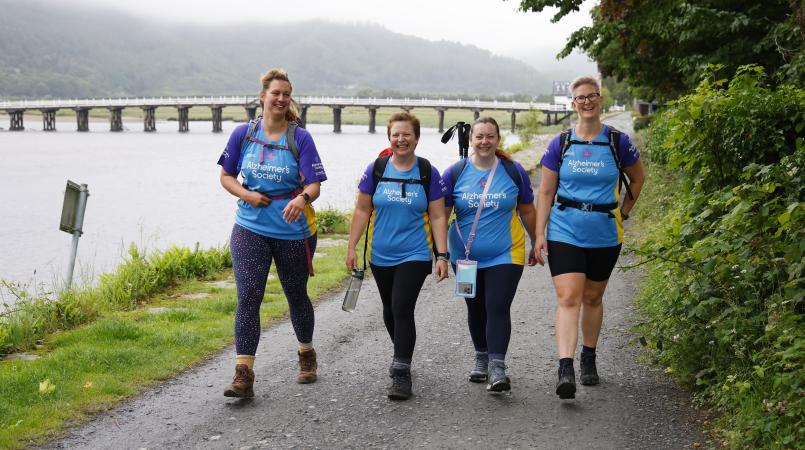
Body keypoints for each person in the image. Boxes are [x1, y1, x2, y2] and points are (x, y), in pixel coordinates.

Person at [217, 68, 327, 398]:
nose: (281, 99)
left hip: (293, 232)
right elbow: (226, 176)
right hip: (250, 227)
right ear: (262, 96)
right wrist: (246, 194)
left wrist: (301, 198)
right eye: (275, 93)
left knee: (296, 294)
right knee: (249, 296)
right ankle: (243, 374)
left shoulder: (300, 137)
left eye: (286, 94)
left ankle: (306, 354)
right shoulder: (243, 134)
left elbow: (315, 184)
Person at [533, 76, 645, 399]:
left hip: (605, 232)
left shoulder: (617, 142)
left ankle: (589, 356)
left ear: (600, 99)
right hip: (565, 229)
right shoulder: (561, 143)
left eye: (591, 96)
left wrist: (623, 212)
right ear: (574, 104)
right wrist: (540, 234)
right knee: (569, 297)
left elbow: (637, 179)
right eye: (580, 98)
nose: (586, 102)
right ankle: (565, 367)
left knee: (593, 297)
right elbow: (545, 192)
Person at [346, 112, 449, 401]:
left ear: (416, 138)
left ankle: (401, 372)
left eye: (407, 135)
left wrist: (442, 255)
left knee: (402, 307)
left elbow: (438, 216)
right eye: (396, 135)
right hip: (380, 254)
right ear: (389, 138)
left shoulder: (427, 171)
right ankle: (401, 353)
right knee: (390, 310)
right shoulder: (377, 169)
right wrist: (352, 246)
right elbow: (362, 210)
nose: (401, 139)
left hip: (415, 253)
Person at [441, 117, 537, 393]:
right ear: (471, 140)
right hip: (465, 256)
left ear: (498, 139)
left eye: (490, 137)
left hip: (506, 253)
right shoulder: (455, 173)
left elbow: (528, 210)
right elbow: (441, 216)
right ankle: (481, 356)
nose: (484, 142)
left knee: (496, 305)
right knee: (475, 306)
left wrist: (538, 240)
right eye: (479, 137)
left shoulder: (512, 170)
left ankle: (498, 367)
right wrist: (439, 254)